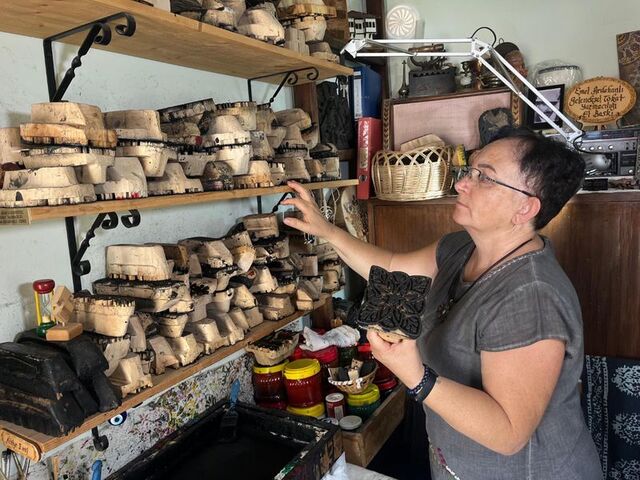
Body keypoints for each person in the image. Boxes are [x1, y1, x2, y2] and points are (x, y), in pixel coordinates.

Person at [281, 128, 602, 479]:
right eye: (470, 171)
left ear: (525, 208)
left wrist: (416, 377)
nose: (462, 183)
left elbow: (508, 431)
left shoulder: (531, 297)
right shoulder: (462, 247)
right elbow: (391, 268)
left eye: (484, 178)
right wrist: (327, 230)